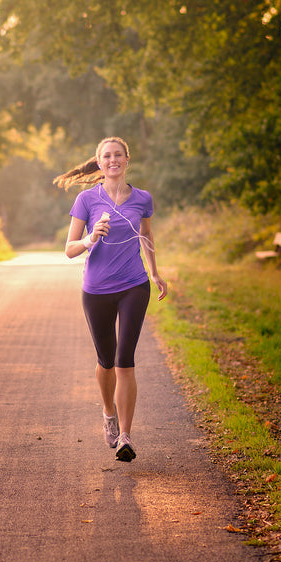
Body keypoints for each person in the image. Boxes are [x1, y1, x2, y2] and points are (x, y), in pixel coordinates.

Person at [54, 136, 168, 462]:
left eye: (118, 155)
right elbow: (69, 249)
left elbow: (146, 236)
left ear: (126, 160)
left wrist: (155, 273)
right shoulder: (87, 200)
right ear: (99, 162)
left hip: (134, 285)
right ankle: (108, 413)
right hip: (96, 291)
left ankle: (126, 437)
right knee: (106, 362)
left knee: (124, 360)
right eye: (107, 156)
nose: (113, 160)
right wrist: (91, 238)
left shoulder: (142, 198)